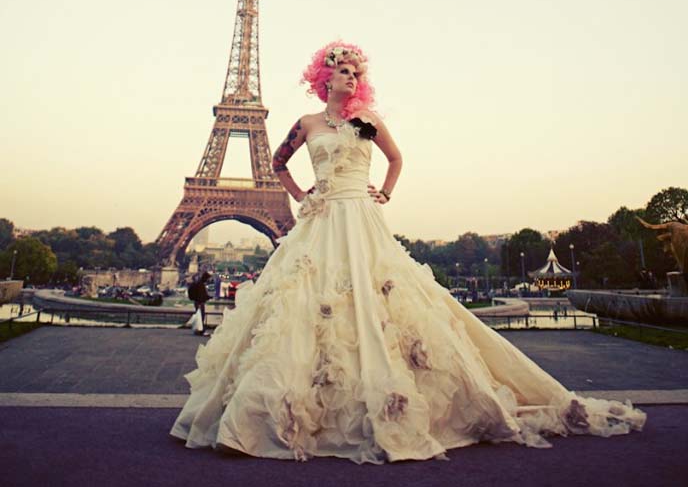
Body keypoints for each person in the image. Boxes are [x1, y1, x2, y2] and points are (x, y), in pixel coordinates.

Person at [170, 41, 646, 464]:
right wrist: (299, 194)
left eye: (356, 72)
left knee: (374, 305)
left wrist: (386, 192)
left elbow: (397, 159)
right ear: (324, 78)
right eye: (343, 71)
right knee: (306, 306)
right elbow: (276, 163)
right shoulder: (308, 123)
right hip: (323, 219)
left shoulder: (368, 121)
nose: (351, 77)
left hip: (360, 215)